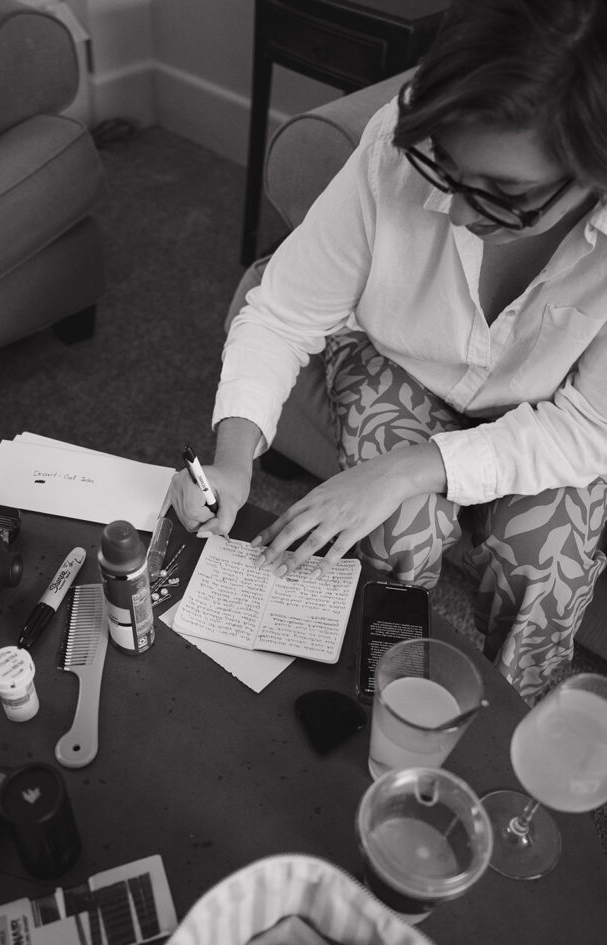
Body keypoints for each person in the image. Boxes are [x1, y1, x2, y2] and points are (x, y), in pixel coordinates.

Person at [171, 0, 607, 704]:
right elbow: (282, 313)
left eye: (506, 193)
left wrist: (406, 468)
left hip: (552, 412)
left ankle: (510, 714)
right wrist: (233, 459)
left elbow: (591, 427)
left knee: (546, 567)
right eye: (448, 167)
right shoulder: (395, 149)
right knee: (396, 532)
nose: (457, 214)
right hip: (394, 360)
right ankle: (386, 688)